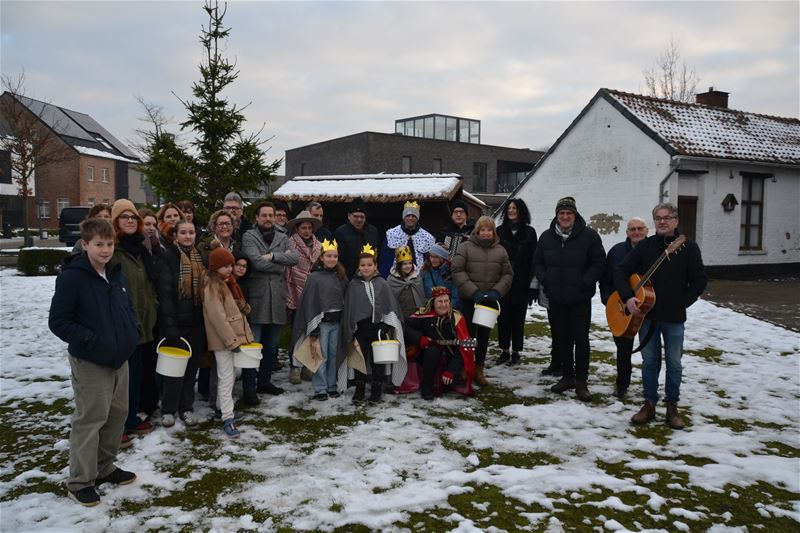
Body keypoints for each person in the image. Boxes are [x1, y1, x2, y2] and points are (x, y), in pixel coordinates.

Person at [48, 218, 140, 506]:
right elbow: (59, 322)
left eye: (109, 244)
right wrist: (92, 340)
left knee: (116, 414)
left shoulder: (116, 274)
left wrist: (132, 331)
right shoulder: (72, 277)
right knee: (91, 419)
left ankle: (104, 468)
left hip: (119, 358)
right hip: (91, 361)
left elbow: (128, 309)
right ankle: (80, 481)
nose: (105, 250)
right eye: (99, 244)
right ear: (85, 244)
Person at [615, 203, 707, 429]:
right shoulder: (645, 246)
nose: (663, 221)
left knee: (674, 363)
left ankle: (672, 407)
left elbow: (699, 280)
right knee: (649, 362)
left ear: (676, 221)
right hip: (648, 317)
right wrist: (628, 298)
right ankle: (649, 403)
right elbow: (620, 271)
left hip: (674, 318)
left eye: (667, 218)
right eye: (658, 218)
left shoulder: (689, 248)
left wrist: (682, 302)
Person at [533, 197, 605, 402]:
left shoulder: (589, 236)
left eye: (569, 213)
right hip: (556, 297)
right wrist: (545, 279)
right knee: (561, 338)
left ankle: (581, 381)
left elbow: (599, 262)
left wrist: (585, 282)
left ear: (575, 215)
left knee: (581, 339)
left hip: (580, 298)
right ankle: (567, 376)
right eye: (561, 213)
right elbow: (537, 262)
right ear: (556, 215)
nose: (565, 217)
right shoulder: (546, 237)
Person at [108, 200, 159, 449]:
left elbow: (147, 284)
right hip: (123, 325)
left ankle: (130, 418)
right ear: (115, 222)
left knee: (136, 374)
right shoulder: (113, 252)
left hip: (144, 323)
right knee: (120, 380)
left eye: (133, 217)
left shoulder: (140, 249)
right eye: (124, 217)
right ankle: (117, 427)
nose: (130, 220)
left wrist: (155, 305)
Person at [242, 201, 299, 401]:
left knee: (272, 344)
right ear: (257, 218)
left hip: (277, 297)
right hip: (257, 298)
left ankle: (264, 382)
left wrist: (272, 256)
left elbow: (295, 259)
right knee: (253, 344)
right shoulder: (249, 236)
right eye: (264, 215)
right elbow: (256, 262)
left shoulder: (283, 237)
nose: (268, 218)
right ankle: (249, 387)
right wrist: (280, 261)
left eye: (271, 215)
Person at [154, 219, 207, 428]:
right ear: (175, 235)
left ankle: (186, 408)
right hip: (174, 323)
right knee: (173, 371)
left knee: (191, 370)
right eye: (183, 232)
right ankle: (168, 409)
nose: (187, 236)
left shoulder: (199, 257)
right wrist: (170, 327)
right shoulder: (168, 257)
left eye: (191, 232)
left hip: (196, 323)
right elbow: (165, 295)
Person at [339, 245, 407, 404]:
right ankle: (360, 389)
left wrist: (387, 324)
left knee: (378, 361)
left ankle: (377, 390)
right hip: (360, 329)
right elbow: (350, 309)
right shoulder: (353, 285)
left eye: (370, 265)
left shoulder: (382, 283)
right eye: (363, 265)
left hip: (378, 329)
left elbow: (390, 306)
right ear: (358, 266)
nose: (366, 268)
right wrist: (352, 329)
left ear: (376, 266)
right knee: (360, 359)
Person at [451, 215, 513, 387]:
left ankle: (479, 368)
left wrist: (496, 292)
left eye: (489, 230)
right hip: (471, 299)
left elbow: (507, 274)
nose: (486, 233)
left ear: (493, 232)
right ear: (477, 231)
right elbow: (457, 270)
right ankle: (465, 367)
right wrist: (474, 292)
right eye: (483, 230)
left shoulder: (501, 251)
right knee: (468, 335)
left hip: (489, 301)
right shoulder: (465, 248)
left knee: (484, 337)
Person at [202, 247, 255, 438]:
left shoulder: (224, 283)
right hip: (224, 341)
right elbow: (218, 318)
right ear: (215, 267)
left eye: (231, 265)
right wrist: (232, 341)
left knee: (230, 374)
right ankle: (227, 417)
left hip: (230, 339)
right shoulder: (212, 287)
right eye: (225, 266)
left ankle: (221, 408)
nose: (230, 269)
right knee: (226, 378)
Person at [291, 238, 348, 401]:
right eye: (328, 256)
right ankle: (320, 388)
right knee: (320, 356)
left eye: (335, 256)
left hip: (337, 322)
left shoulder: (342, 277)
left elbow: (347, 298)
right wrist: (313, 326)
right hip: (321, 324)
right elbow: (309, 303)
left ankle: (332, 385)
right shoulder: (314, 277)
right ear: (321, 258)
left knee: (333, 354)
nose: (332, 259)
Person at [600, 217, 649, 398]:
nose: (636, 232)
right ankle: (622, 385)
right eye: (632, 229)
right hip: (621, 308)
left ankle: (649, 388)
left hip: (648, 307)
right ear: (627, 232)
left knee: (650, 351)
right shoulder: (616, 251)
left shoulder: (655, 252)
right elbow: (605, 279)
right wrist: (608, 301)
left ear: (647, 231)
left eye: (640, 229)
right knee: (623, 349)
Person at [404, 286, 475, 400]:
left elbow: (464, 347)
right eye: (440, 301)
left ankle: (443, 379)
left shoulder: (457, 319)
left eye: (446, 301)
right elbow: (403, 325)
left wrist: (451, 371)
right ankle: (426, 386)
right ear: (433, 303)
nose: (443, 305)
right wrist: (420, 339)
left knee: (448, 385)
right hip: (428, 358)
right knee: (433, 350)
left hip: (451, 359)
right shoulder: (424, 316)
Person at [495, 199, 538, 366]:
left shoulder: (529, 232)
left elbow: (534, 258)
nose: (511, 211)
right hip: (502, 282)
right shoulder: (499, 231)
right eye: (509, 208)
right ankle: (504, 350)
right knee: (503, 318)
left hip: (522, 281)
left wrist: (532, 284)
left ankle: (516, 351)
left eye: (515, 208)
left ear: (521, 211)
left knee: (518, 319)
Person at [285, 210, 323, 384]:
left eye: (309, 227)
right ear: (297, 229)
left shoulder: (319, 246)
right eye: (303, 228)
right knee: (297, 332)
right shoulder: (289, 244)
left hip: (314, 293)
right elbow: (289, 269)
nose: (307, 231)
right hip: (294, 289)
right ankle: (295, 367)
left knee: (313, 331)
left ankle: (308, 366)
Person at [380, 200, 435, 277]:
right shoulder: (391, 234)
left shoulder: (427, 237)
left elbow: (430, 262)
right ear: (403, 217)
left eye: (413, 216)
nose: (410, 218)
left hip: (418, 278)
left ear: (417, 218)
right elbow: (384, 258)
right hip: (395, 277)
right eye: (408, 216)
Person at [333, 198, 380, 279]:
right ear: (349, 216)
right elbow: (339, 258)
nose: (359, 220)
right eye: (356, 216)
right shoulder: (340, 232)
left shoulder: (373, 231)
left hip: (370, 276)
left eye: (362, 217)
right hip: (348, 277)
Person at [387, 245, 426, 319]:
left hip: (416, 316)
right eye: (404, 264)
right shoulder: (391, 280)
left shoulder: (417, 278)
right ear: (399, 265)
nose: (408, 266)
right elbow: (389, 301)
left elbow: (421, 297)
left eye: (410, 263)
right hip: (399, 317)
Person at [421, 243, 460, 310]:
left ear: (443, 258)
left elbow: (455, 296)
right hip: (430, 309)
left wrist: (448, 309)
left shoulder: (451, 273)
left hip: (446, 309)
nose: (432, 260)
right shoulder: (424, 271)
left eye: (436, 257)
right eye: (431, 256)